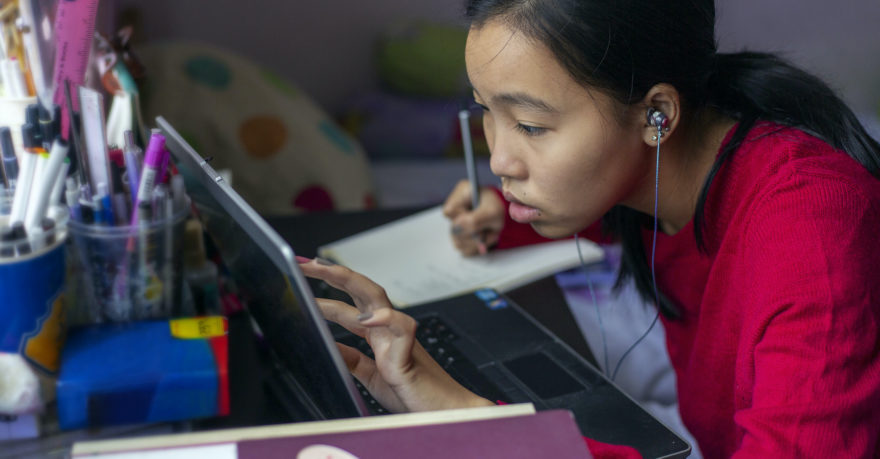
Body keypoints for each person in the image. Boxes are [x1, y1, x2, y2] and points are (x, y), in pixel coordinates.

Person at [299, 0, 880, 456]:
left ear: (659, 115)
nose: (499, 160)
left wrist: (464, 415)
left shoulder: (811, 233)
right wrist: (504, 216)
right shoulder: (674, 174)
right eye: (485, 113)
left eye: (529, 125)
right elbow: (606, 216)